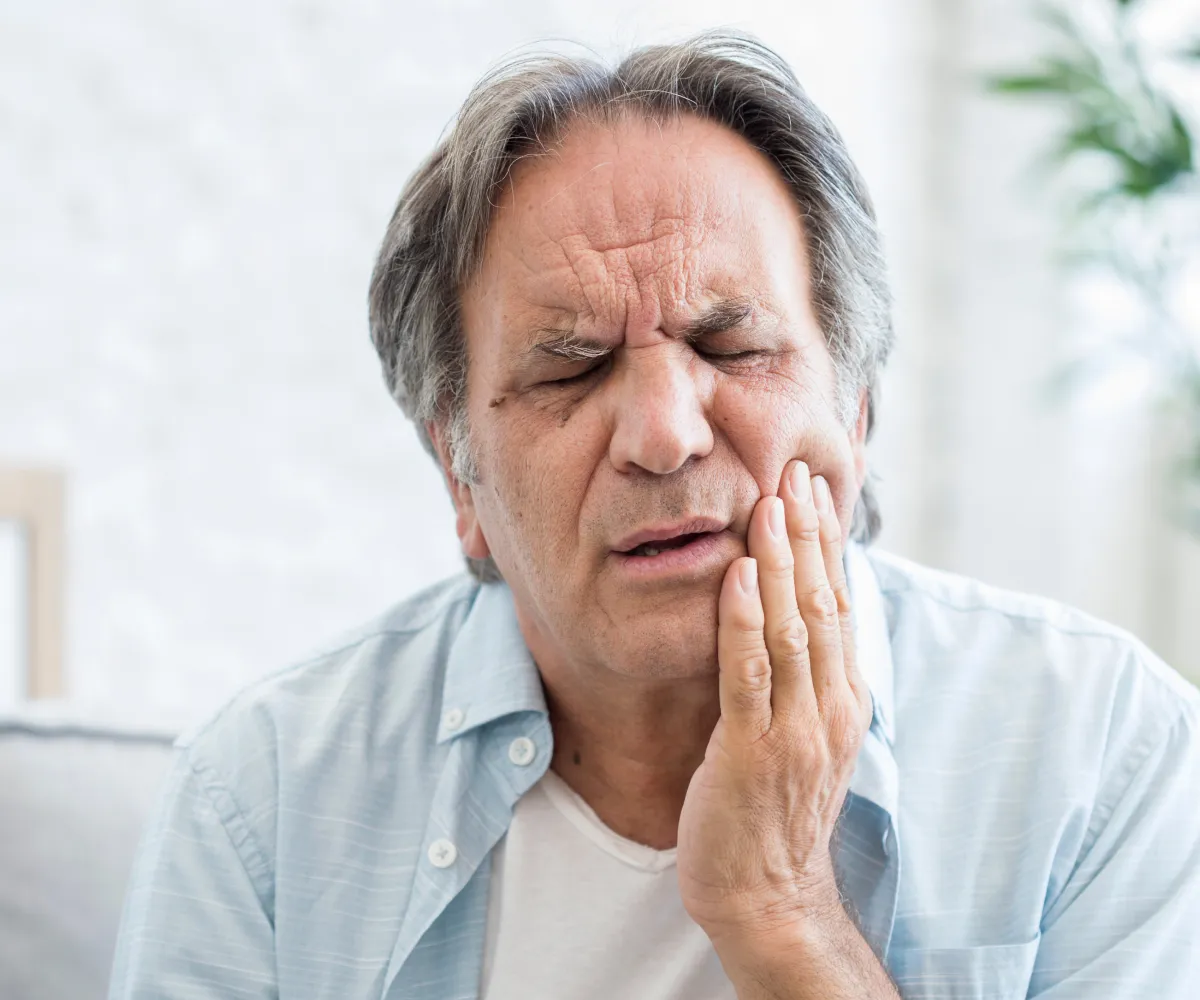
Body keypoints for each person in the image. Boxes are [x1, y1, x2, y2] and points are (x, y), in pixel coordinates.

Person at [109, 30, 1200, 1000]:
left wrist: (782, 915)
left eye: (734, 347)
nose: (664, 434)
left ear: (856, 416)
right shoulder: (262, 802)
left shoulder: (1106, 755)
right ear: (460, 477)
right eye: (570, 370)